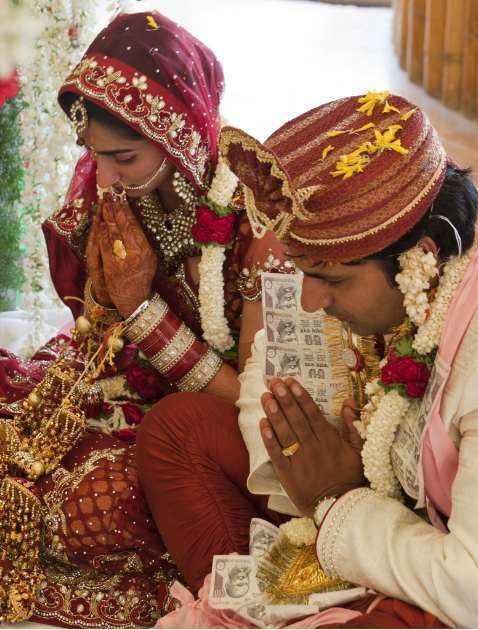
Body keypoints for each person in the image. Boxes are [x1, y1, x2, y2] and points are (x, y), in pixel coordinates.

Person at [138, 92, 478, 628]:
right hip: (383, 520)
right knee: (178, 430)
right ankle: (264, 610)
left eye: (330, 280)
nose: (310, 300)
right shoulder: (391, 260)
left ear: (420, 256)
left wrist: (334, 498)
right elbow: (269, 365)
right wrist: (312, 466)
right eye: (305, 271)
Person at [0, 11, 287, 627]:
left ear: (180, 135)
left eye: (122, 157)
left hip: (220, 436)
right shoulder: (115, 194)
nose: (102, 177)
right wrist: (112, 308)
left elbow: (257, 406)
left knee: (94, 507)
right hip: (124, 385)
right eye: (92, 154)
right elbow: (95, 332)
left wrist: (142, 311)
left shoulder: (257, 221)